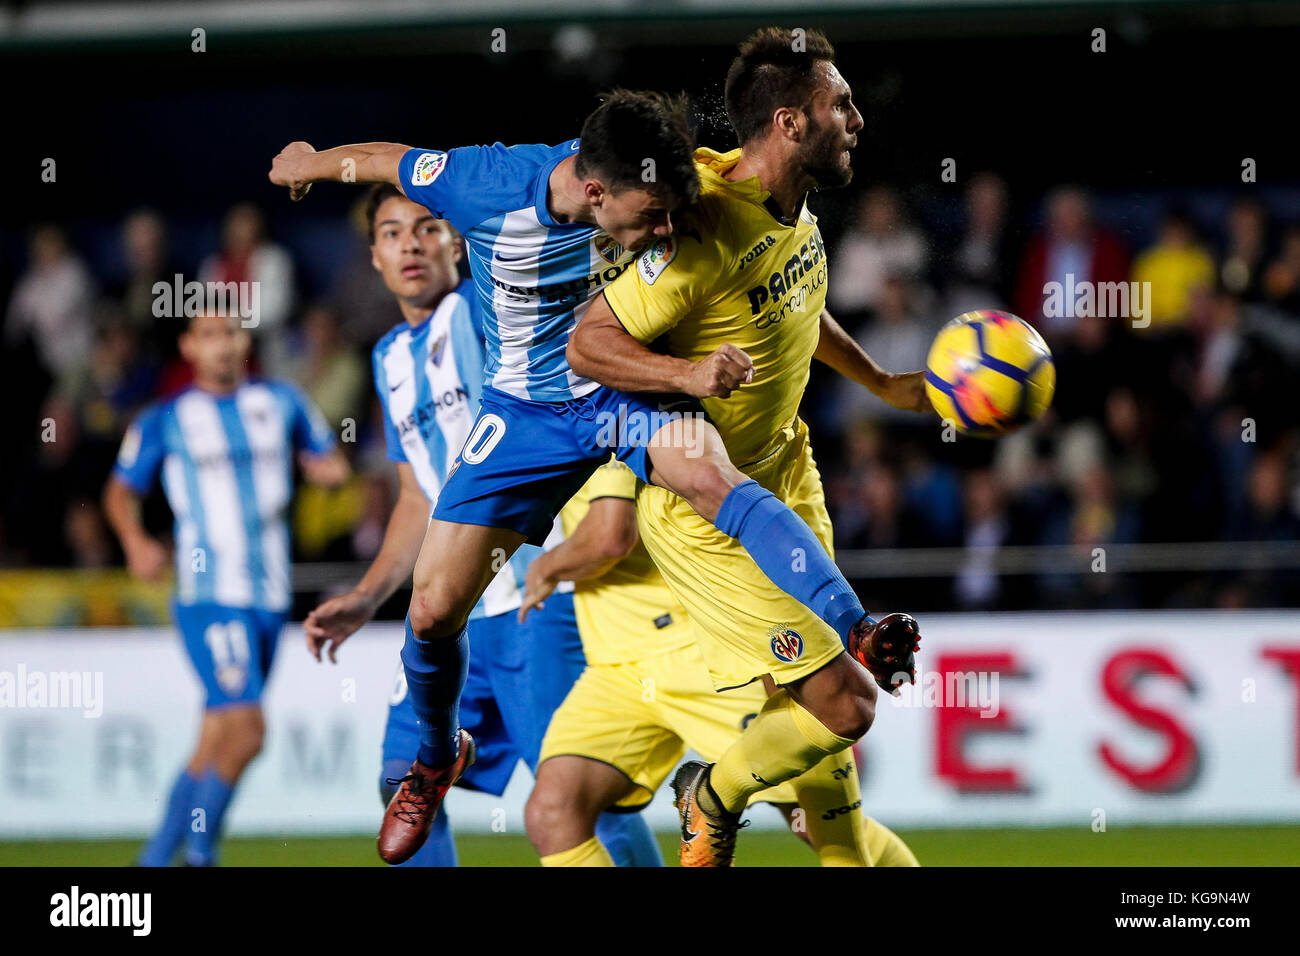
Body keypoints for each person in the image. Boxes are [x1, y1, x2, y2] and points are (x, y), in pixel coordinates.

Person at [268, 88, 916, 863]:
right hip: (523, 415)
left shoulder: (661, 193)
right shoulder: (485, 185)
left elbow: (770, 281)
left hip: (621, 390)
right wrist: (312, 162)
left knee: (715, 477)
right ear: (596, 193)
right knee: (434, 610)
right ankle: (436, 758)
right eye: (651, 219)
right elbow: (386, 162)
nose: (665, 232)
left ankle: (857, 623)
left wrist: (690, 371)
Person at [568, 27, 929, 865]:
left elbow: (796, 305)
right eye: (841, 103)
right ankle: (714, 794)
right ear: (791, 124)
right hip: (712, 511)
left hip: (787, 472)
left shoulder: (795, 210)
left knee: (808, 713)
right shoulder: (704, 226)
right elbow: (588, 345)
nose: (859, 118)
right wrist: (690, 374)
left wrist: (880, 380)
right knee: (847, 704)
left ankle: (832, 842)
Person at [301, 185, 659, 866]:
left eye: (427, 227)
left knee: (579, 799)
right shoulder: (387, 360)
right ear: (374, 258)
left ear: (458, 244)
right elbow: (417, 497)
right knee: (402, 776)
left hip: (533, 605)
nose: (410, 243)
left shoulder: (485, 311)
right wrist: (366, 598)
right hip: (447, 620)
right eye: (391, 233)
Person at [522, 459, 919, 867]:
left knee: (813, 823)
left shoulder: (617, 417)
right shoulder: (566, 416)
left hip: (692, 653)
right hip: (616, 664)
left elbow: (610, 536)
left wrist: (544, 567)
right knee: (553, 812)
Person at [103, 310, 350, 866]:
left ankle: (152, 862)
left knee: (214, 741)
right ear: (189, 346)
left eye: (232, 332)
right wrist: (136, 542)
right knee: (247, 731)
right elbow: (120, 492)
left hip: (270, 596)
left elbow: (326, 454)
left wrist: (328, 468)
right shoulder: (165, 418)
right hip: (209, 594)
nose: (223, 344)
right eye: (209, 334)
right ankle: (200, 857)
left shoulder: (282, 402)